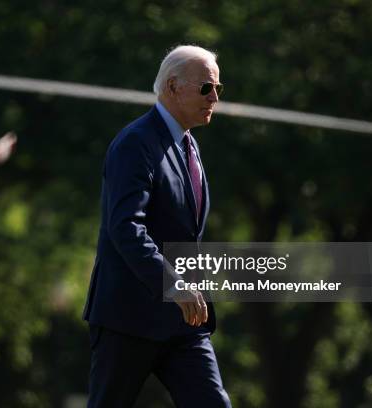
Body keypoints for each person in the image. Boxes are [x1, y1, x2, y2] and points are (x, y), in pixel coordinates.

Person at [82, 45, 231, 407]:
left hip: (184, 323)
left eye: (217, 89)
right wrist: (172, 283)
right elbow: (125, 227)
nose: (214, 98)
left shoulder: (189, 146)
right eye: (205, 88)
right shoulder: (135, 143)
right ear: (173, 86)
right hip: (129, 318)